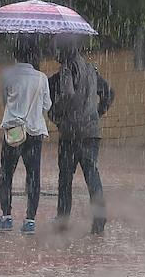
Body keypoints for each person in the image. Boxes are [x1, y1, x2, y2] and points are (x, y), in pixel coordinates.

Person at [48, 37, 114, 235]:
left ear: (63, 51)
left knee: (65, 178)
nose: (55, 55)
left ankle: (62, 220)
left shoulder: (66, 70)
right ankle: (100, 218)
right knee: (92, 175)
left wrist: (57, 115)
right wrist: (97, 113)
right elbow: (109, 93)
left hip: (70, 134)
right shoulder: (90, 70)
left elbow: (67, 95)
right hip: (91, 133)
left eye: (57, 50)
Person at [0, 35, 52, 235]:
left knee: (6, 174)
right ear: (35, 54)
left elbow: (5, 101)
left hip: (13, 132)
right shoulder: (42, 78)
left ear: (16, 53)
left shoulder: (8, 75)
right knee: (33, 175)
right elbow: (47, 106)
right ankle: (30, 221)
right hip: (34, 132)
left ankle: (6, 217)